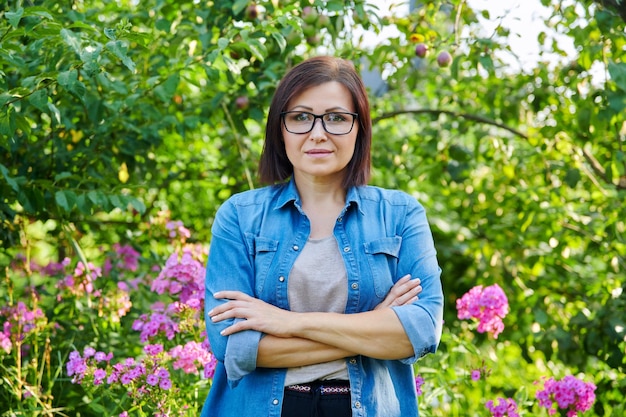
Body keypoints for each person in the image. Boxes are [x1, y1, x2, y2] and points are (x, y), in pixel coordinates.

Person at [201, 56, 443, 417]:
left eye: (336, 118)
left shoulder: (400, 215)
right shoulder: (240, 217)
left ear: (359, 127)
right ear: (279, 129)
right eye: (300, 117)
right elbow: (233, 347)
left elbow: (421, 331)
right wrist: (374, 326)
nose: (317, 133)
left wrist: (289, 323)